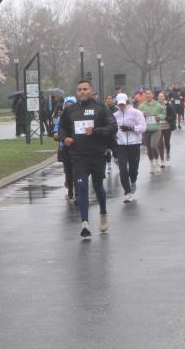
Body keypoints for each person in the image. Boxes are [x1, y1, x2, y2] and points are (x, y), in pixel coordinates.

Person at [58, 80, 117, 237]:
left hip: (97, 154)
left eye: (85, 89)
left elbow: (113, 127)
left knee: (98, 187)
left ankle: (103, 212)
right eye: (79, 89)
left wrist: (96, 130)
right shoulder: (71, 110)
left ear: (91, 91)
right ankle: (84, 222)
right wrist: (64, 138)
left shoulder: (101, 109)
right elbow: (62, 127)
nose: (82, 92)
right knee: (82, 187)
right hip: (78, 155)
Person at [112, 93, 146, 203]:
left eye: (123, 104)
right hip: (120, 145)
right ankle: (127, 192)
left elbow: (143, 127)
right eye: (119, 104)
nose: (121, 106)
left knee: (133, 169)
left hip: (134, 143)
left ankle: (133, 181)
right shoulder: (114, 115)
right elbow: (112, 128)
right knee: (122, 169)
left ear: (127, 102)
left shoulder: (136, 113)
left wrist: (131, 128)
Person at [137, 89, 166, 172]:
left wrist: (159, 117)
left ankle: (157, 164)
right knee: (149, 148)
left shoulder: (158, 105)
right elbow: (137, 116)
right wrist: (142, 114)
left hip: (156, 129)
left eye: (149, 94)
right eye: (146, 94)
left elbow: (164, 114)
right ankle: (152, 165)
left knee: (153, 145)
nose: (148, 95)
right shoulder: (141, 106)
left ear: (153, 95)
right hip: (146, 129)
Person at [160, 91, 176, 162]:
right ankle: (162, 158)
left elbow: (173, 116)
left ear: (164, 97)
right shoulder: (156, 105)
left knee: (167, 142)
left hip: (167, 127)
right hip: (159, 127)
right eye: (159, 96)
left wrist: (165, 118)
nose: (160, 97)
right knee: (160, 143)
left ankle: (168, 152)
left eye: (162, 96)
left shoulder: (169, 106)